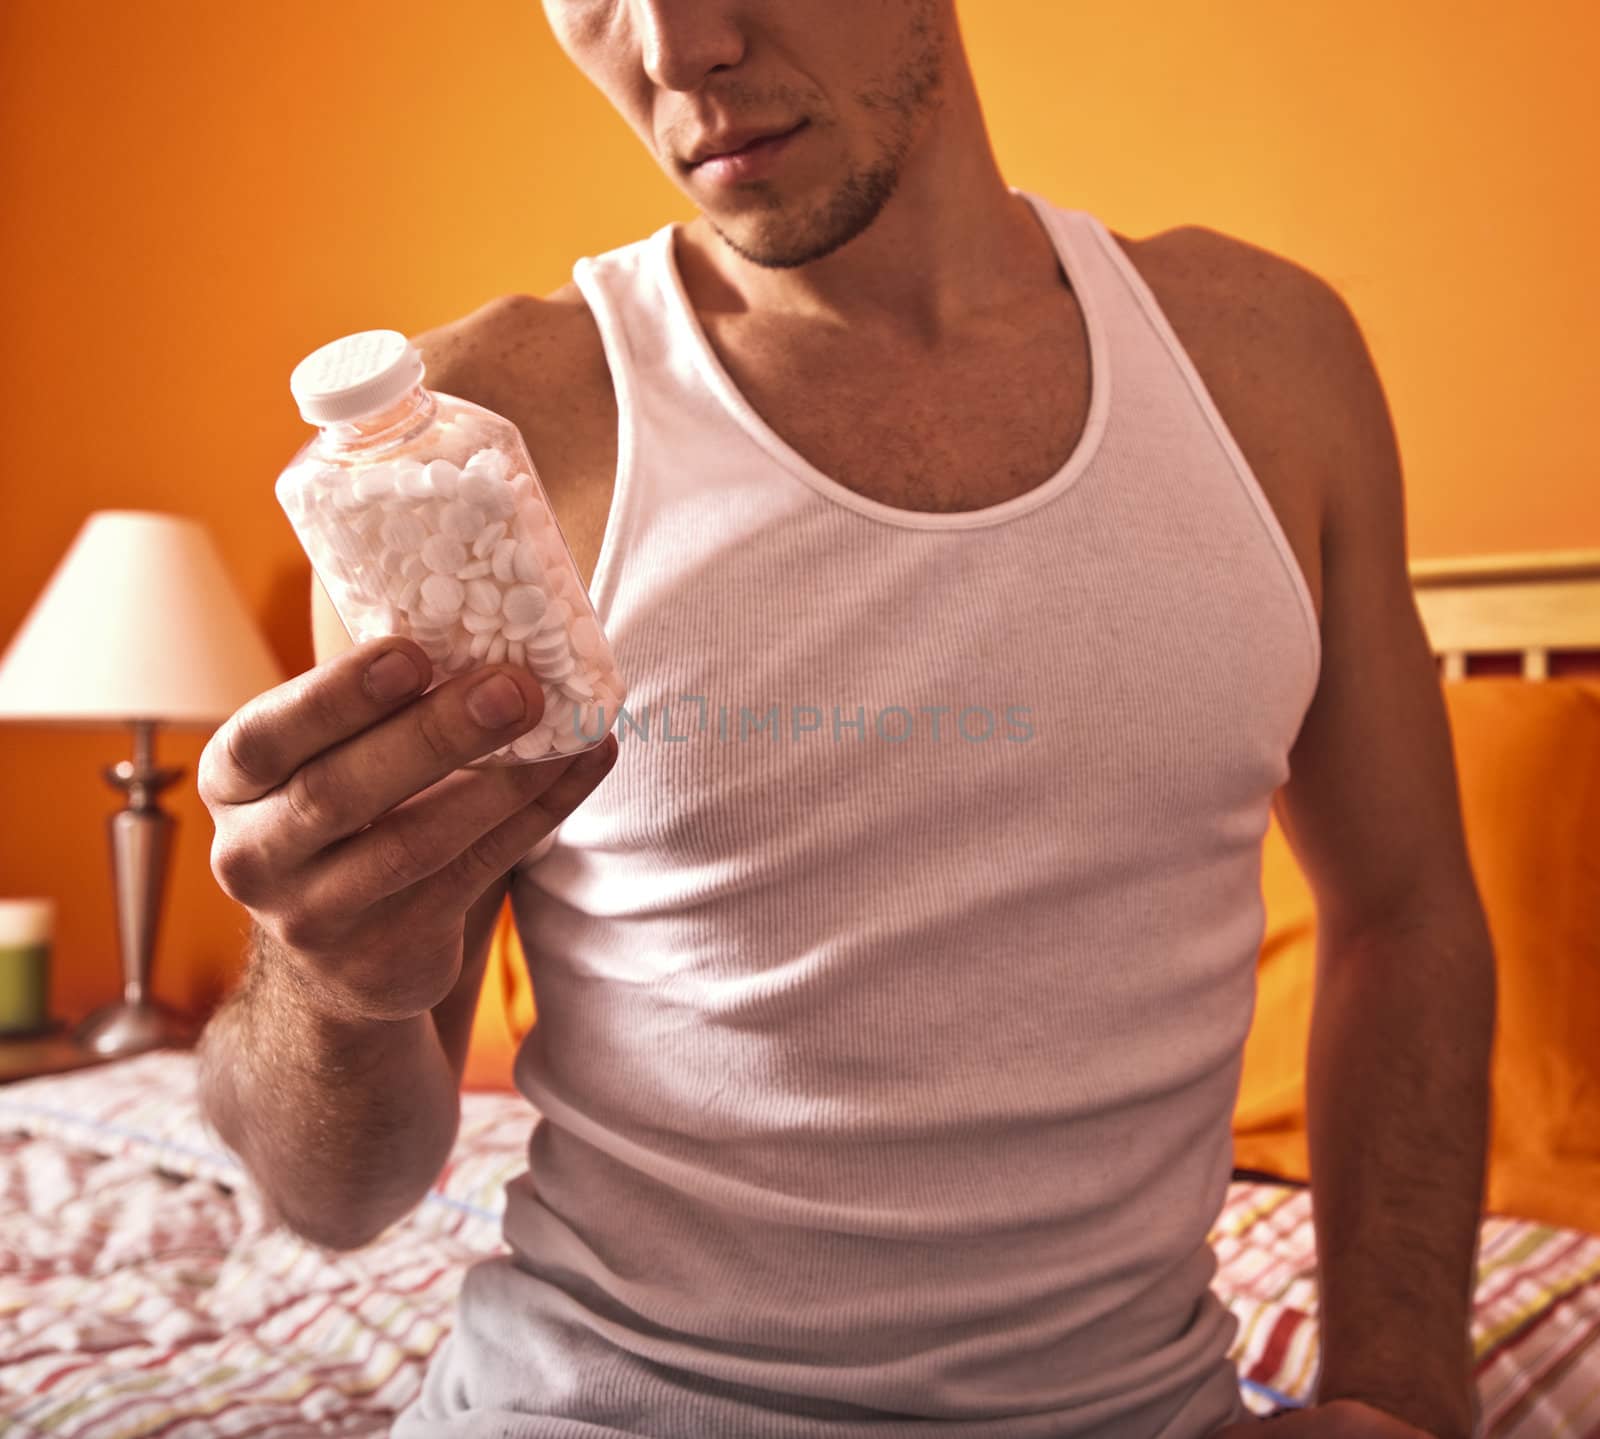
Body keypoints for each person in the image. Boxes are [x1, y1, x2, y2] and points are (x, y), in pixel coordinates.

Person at [196, 3, 1496, 1436]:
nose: (677, 46)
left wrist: (1403, 1390)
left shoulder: (1272, 364)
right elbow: (340, 1199)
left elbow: (1403, 917)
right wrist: (323, 989)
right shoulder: (463, 459)